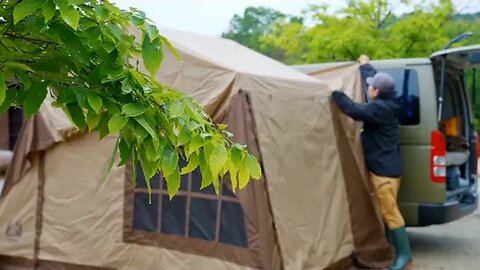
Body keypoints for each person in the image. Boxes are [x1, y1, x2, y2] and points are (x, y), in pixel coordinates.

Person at [331, 55, 413, 270]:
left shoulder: (380, 109)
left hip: (384, 174)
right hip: (389, 169)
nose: (368, 89)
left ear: (376, 92)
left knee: (391, 214)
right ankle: (394, 252)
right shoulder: (390, 102)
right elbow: (374, 81)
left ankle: (405, 257)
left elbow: (352, 109)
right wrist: (365, 65)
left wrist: (333, 91)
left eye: (371, 88)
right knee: (388, 213)